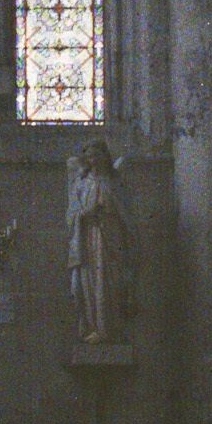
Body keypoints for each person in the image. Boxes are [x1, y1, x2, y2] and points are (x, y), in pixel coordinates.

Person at [67, 139, 135, 343]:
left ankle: (108, 329)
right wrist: (84, 215)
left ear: (105, 157)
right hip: (87, 239)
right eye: (89, 156)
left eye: (97, 155)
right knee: (86, 283)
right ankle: (92, 326)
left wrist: (108, 216)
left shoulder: (113, 182)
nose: (93, 160)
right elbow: (71, 214)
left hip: (110, 238)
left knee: (108, 280)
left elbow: (126, 213)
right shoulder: (81, 183)